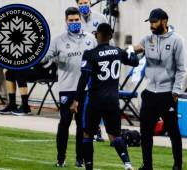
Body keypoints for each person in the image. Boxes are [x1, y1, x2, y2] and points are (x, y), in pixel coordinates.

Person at [70, 23, 139, 170]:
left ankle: (89, 167)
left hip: (95, 100)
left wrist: (76, 99)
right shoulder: (118, 51)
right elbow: (135, 61)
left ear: (96, 35)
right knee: (114, 135)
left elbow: (84, 77)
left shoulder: (90, 54)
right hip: (113, 101)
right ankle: (127, 164)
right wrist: (131, 49)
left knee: (87, 133)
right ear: (111, 35)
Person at [42, 7, 97, 167]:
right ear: (65, 21)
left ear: (81, 19)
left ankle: (80, 159)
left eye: (76, 20)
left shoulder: (90, 39)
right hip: (67, 88)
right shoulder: (58, 40)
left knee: (82, 125)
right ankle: (61, 158)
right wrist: (38, 58)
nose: (74, 23)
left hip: (86, 89)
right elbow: (45, 57)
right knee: (65, 122)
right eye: (71, 20)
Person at [133, 8, 186, 170]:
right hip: (150, 93)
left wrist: (176, 91)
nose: (151, 25)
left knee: (173, 132)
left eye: (154, 22)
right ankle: (147, 165)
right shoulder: (147, 39)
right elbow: (133, 59)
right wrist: (134, 51)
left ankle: (177, 165)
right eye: (150, 22)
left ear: (164, 21)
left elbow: (181, 68)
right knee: (145, 132)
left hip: (167, 93)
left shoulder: (177, 40)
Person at [76, 0, 109, 142]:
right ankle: (88, 128)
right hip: (83, 64)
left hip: (98, 63)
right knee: (85, 98)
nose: (84, 4)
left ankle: (97, 129)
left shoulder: (100, 18)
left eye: (86, 1)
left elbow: (108, 39)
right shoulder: (75, 20)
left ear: (90, 2)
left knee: (96, 97)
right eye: (81, 2)